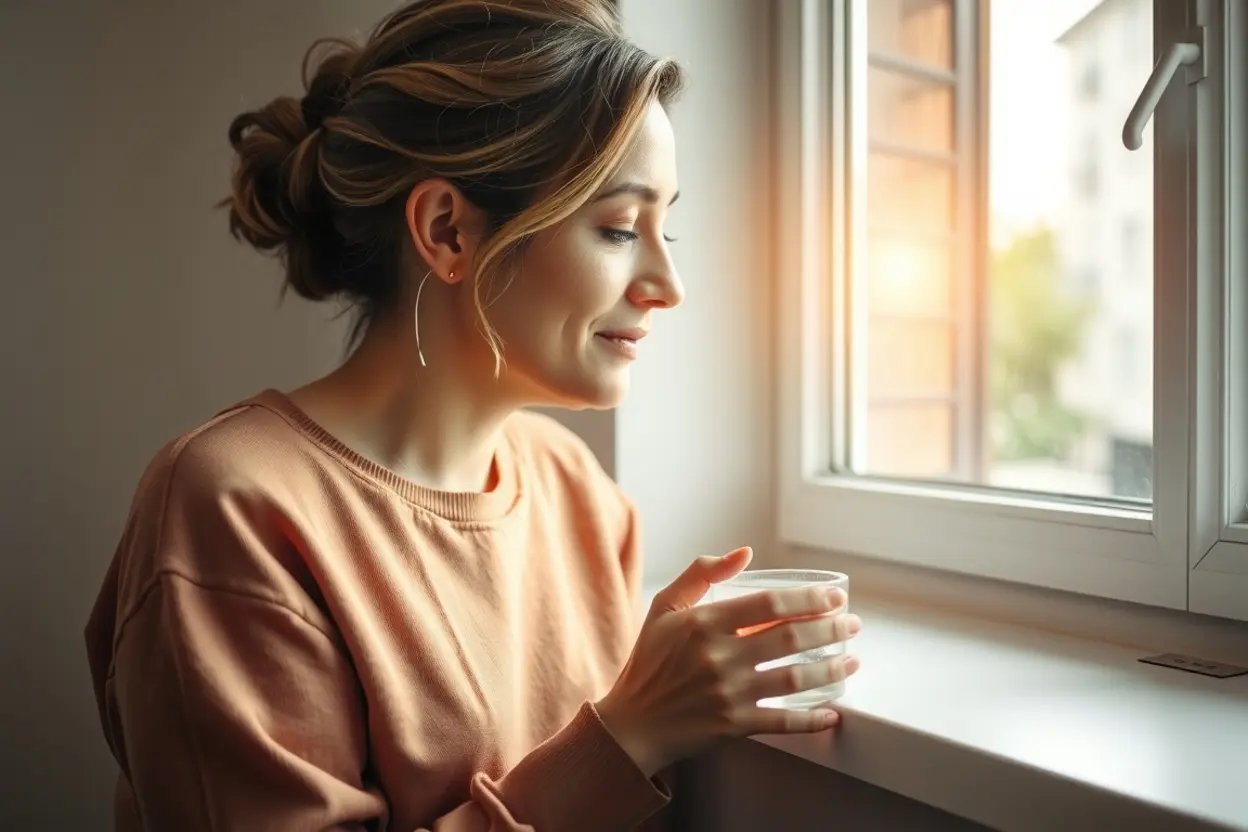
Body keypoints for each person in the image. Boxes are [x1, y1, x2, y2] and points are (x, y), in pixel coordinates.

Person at [83, 1, 862, 829]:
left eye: (667, 228)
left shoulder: (577, 491)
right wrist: (626, 735)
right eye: (618, 228)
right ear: (448, 231)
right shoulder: (232, 508)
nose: (668, 286)